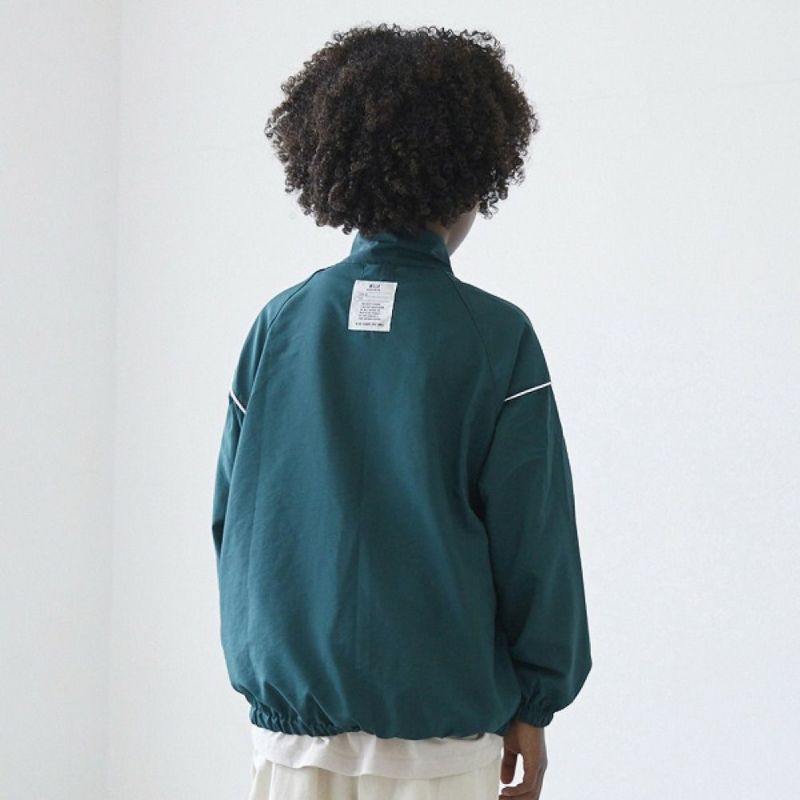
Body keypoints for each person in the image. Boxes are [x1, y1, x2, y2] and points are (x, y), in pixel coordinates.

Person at [212, 22, 592, 800]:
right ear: (472, 177)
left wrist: (273, 670)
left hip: (291, 739)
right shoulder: (496, 338)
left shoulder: (278, 327)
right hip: (440, 743)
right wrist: (535, 702)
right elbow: (535, 541)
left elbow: (234, 527)